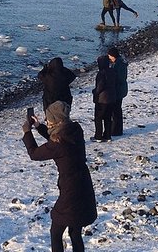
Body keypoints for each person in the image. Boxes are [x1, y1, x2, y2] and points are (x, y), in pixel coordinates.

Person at [22, 101, 98, 252]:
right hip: (84, 186)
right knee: (75, 232)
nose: (46, 121)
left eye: (48, 119)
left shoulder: (59, 143)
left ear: (57, 120)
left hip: (70, 192)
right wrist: (39, 127)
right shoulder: (75, 130)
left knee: (56, 232)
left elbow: (34, 154)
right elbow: (56, 138)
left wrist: (27, 132)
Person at [91, 54, 116, 142]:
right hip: (112, 98)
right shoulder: (112, 71)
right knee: (108, 118)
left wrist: (95, 92)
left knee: (98, 118)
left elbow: (100, 86)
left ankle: (98, 136)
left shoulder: (101, 73)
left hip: (102, 99)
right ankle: (107, 136)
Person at [107, 47, 128, 137]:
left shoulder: (118, 65)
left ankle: (115, 130)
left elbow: (117, 78)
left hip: (118, 90)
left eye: (110, 56)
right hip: (122, 89)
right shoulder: (121, 63)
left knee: (115, 111)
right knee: (118, 110)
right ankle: (117, 129)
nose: (109, 57)